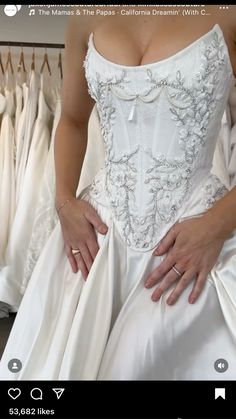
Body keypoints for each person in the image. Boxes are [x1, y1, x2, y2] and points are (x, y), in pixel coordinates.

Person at [0, 5, 236, 380]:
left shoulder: (228, 15)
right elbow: (73, 121)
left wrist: (218, 225)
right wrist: (64, 201)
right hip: (99, 237)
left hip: (192, 238)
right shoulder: (87, 15)